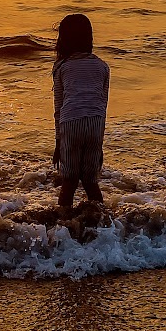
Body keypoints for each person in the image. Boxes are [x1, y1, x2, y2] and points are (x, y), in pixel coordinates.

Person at [53, 13, 109, 210]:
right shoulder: (102, 66)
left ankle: (63, 222)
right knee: (90, 181)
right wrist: (99, 143)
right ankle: (103, 221)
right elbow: (102, 103)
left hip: (71, 122)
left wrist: (58, 142)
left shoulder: (61, 67)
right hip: (95, 123)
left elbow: (58, 107)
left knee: (69, 181)